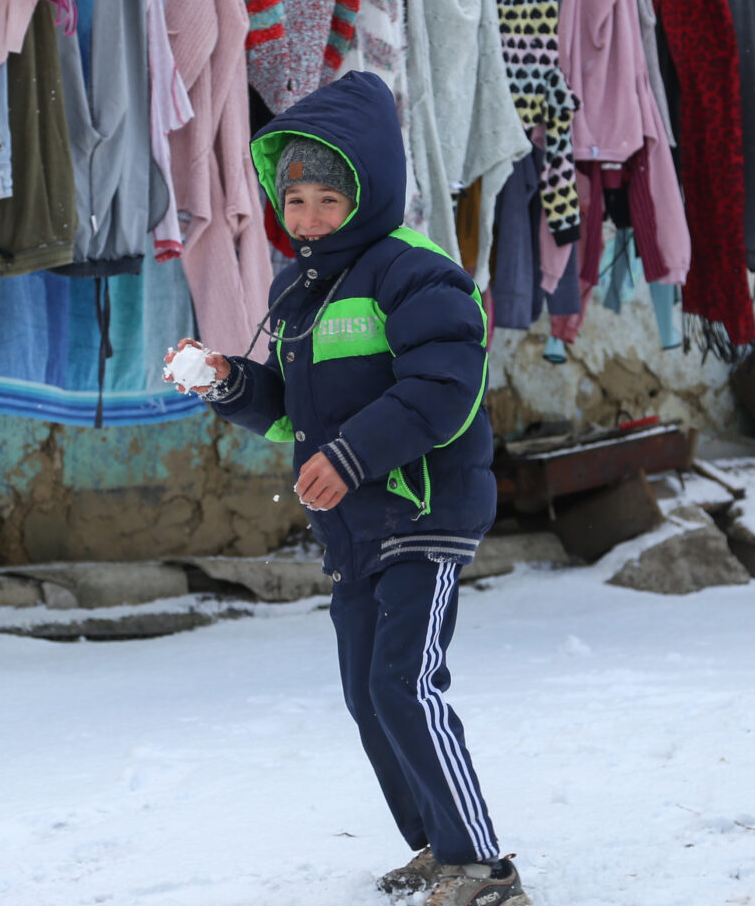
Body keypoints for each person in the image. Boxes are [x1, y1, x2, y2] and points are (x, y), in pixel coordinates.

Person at [165, 72, 527, 906]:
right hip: (353, 522)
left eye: (331, 198)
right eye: (295, 201)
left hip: (423, 507)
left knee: (406, 680)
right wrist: (226, 381)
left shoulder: (415, 271)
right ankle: (437, 846)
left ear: (370, 191)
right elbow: (293, 410)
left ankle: (483, 867)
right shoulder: (296, 289)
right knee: (368, 694)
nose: (310, 218)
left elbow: (443, 389)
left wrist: (357, 456)